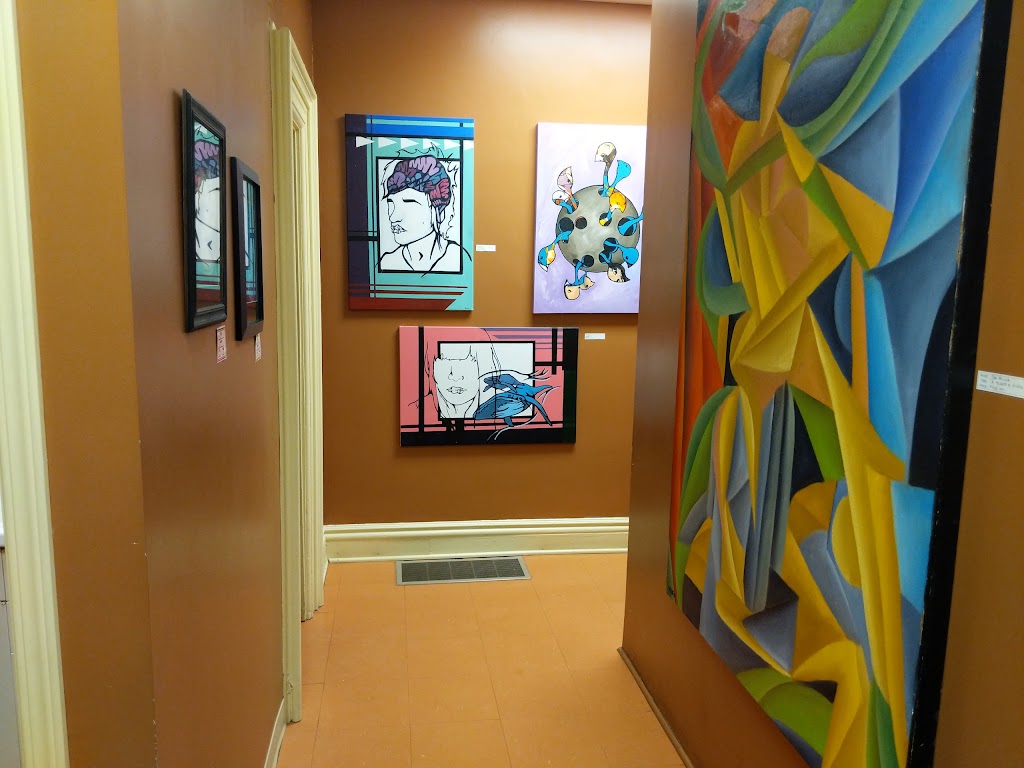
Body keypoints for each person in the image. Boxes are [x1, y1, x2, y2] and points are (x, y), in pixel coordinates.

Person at [379, 155, 466, 273]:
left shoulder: (459, 258)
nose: (393, 217)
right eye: (391, 202)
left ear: (435, 208)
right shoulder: (387, 262)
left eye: (408, 202)